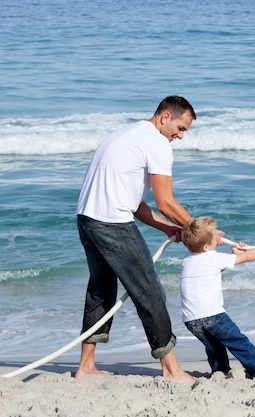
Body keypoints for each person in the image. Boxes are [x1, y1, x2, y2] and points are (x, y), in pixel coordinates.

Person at [75, 96, 199, 384]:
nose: (180, 136)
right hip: (112, 226)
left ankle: (86, 367)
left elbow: (133, 203)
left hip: (87, 220)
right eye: (180, 128)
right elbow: (165, 201)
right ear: (165, 116)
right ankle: (171, 370)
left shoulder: (124, 134)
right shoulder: (156, 143)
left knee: (101, 290)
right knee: (150, 293)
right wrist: (198, 229)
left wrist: (167, 228)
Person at [180, 216, 255, 379]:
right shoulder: (213, 258)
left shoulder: (187, 259)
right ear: (206, 246)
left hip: (191, 319)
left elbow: (210, 270)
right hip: (213, 316)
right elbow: (247, 257)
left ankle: (220, 372)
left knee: (214, 347)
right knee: (239, 343)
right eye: (215, 236)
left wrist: (230, 254)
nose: (218, 237)